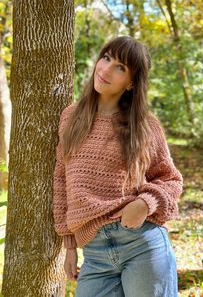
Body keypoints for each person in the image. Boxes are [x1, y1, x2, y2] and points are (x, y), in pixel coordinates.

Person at [53, 35, 183, 297]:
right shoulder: (70, 117)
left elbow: (171, 180)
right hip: (95, 253)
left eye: (120, 67)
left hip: (141, 243)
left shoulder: (145, 125)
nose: (106, 69)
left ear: (132, 83)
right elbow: (61, 180)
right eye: (107, 58)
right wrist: (68, 245)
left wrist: (144, 203)